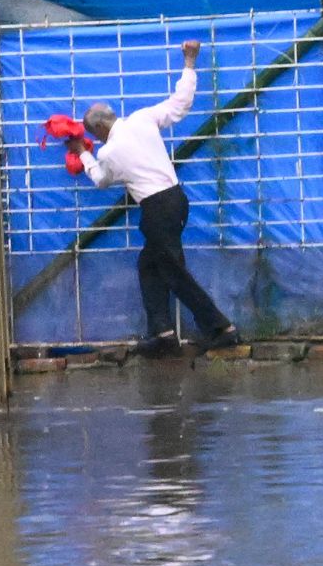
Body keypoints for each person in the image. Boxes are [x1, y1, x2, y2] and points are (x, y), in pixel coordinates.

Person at [75, 39, 240, 358]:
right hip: (176, 200)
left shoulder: (108, 151)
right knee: (150, 266)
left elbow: (100, 180)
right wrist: (189, 64)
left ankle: (221, 328)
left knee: (173, 273)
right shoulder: (142, 118)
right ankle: (162, 332)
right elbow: (180, 103)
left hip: (156, 209)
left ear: (96, 131)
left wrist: (84, 155)